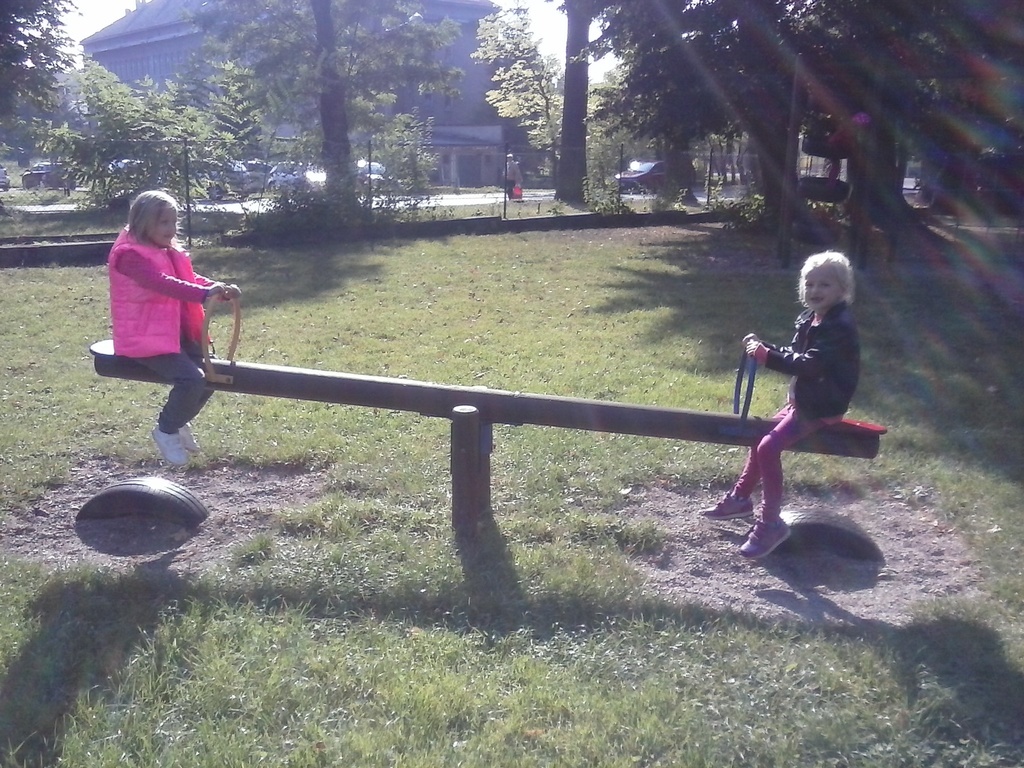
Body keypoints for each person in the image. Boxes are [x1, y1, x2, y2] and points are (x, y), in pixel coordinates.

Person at [701, 251, 860, 558]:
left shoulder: (838, 326)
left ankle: (770, 523)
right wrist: (765, 348)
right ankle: (740, 499)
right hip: (806, 401)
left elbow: (810, 365)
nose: (815, 290)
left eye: (824, 284)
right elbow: (794, 353)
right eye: (810, 284)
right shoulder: (812, 319)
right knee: (759, 439)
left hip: (821, 406)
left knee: (768, 448)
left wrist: (768, 357)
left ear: (842, 290)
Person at [107, 190, 241, 466]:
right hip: (145, 337)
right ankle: (166, 429)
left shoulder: (165, 249)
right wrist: (202, 294)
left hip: (174, 333)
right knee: (191, 380)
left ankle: (178, 421)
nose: (171, 229)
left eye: (173, 221)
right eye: (163, 222)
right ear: (143, 222)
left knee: (214, 374)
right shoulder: (129, 256)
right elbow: (161, 282)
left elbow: (187, 277)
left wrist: (217, 289)